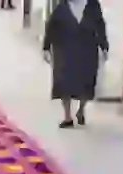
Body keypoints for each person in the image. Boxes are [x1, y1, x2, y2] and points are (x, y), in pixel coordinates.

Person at [42, 0, 107, 128]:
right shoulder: (62, 7)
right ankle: (67, 117)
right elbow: (51, 27)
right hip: (64, 49)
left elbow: (100, 26)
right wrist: (46, 47)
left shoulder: (93, 5)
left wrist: (104, 46)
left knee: (86, 82)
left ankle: (81, 109)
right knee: (63, 81)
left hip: (87, 50)